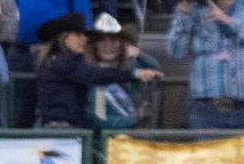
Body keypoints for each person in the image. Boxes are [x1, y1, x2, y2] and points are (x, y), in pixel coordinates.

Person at [164, 0, 244, 129]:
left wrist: (228, 21)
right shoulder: (195, 9)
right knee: (207, 158)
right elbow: (174, 51)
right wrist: (185, 12)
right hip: (208, 108)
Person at [32, 10, 160, 126]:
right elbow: (100, 119)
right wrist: (134, 118)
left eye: (114, 40)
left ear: (123, 44)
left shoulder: (129, 65)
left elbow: (155, 69)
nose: (108, 46)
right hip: (93, 138)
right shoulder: (86, 73)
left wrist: (139, 55)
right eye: (102, 40)